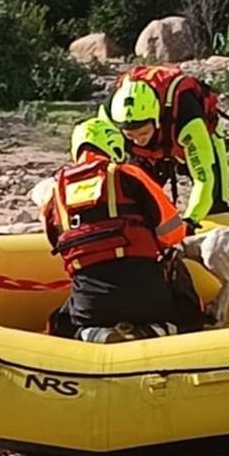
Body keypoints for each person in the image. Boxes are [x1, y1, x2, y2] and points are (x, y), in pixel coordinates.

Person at [41, 119, 208, 343]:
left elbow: (55, 244)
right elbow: (172, 233)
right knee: (188, 306)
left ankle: (90, 333)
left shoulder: (55, 192)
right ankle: (163, 328)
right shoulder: (129, 174)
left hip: (90, 304)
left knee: (62, 322)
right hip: (147, 296)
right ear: (114, 145)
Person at [99, 65, 229, 227]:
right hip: (147, 153)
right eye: (130, 135)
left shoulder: (187, 116)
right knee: (133, 201)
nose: (138, 141)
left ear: (156, 120)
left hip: (198, 139)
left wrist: (190, 221)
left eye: (143, 133)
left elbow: (203, 179)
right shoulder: (108, 116)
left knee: (215, 204)